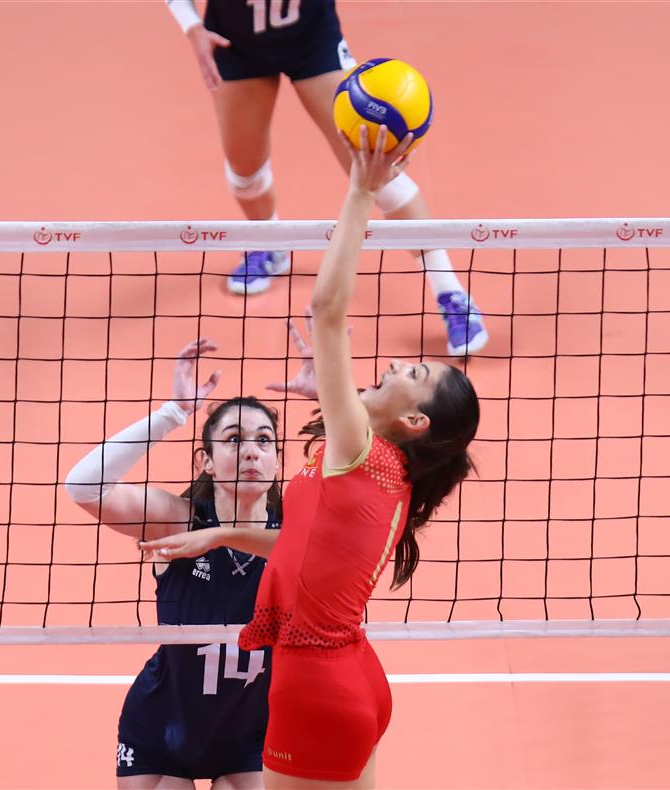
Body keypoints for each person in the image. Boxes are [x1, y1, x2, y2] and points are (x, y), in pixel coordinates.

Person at [236, 128, 479, 787]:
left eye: (414, 373)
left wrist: (361, 191)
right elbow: (311, 539)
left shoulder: (360, 451)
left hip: (316, 688)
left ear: (414, 421)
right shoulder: (388, 470)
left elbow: (327, 311)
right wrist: (223, 534)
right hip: (353, 678)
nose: (397, 362)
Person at [165, 0, 488, 356]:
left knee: (380, 172)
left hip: (311, 38)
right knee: (245, 177)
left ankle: (451, 294)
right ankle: (270, 242)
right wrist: (191, 26)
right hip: (235, 43)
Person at [65, 339, 283, 788]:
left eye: (264, 440)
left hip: (251, 735)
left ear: (277, 461)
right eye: (234, 439)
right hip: (160, 730)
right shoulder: (178, 521)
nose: (251, 451)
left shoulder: (294, 531)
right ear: (205, 461)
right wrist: (173, 413)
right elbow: (83, 486)